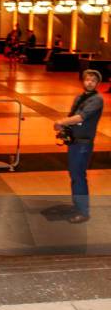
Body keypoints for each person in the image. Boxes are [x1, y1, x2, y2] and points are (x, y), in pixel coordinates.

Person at [54, 69, 103, 223]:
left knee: (79, 176)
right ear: (83, 80)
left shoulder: (97, 99)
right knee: (74, 175)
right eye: (87, 79)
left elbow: (81, 117)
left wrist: (61, 122)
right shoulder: (80, 97)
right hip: (74, 142)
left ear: (97, 84)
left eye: (93, 81)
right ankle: (77, 205)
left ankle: (83, 211)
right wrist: (64, 127)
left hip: (83, 143)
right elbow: (72, 116)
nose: (89, 82)